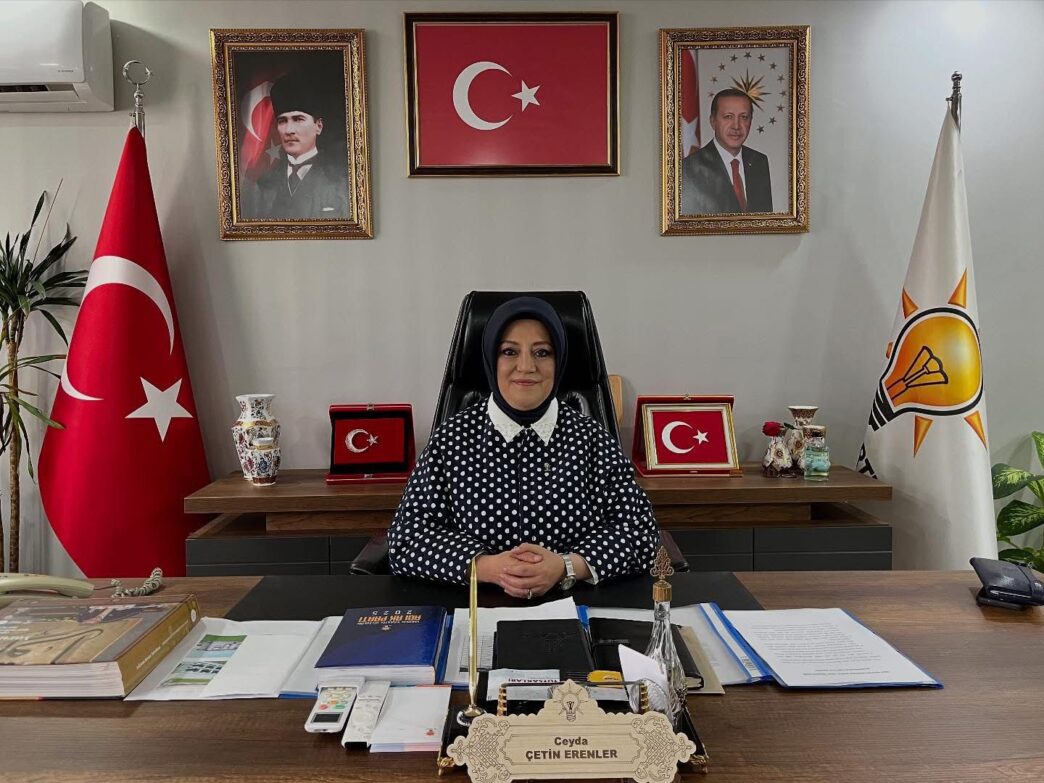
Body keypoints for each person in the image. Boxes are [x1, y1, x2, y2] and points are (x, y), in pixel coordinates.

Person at [388, 297, 659, 598]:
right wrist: (488, 567)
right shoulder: (451, 440)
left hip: (575, 604)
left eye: (542, 352)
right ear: (491, 360)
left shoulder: (591, 439)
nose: (526, 367)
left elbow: (641, 533)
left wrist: (567, 566)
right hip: (476, 608)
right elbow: (406, 541)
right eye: (509, 351)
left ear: (559, 361)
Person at [247, 72, 349, 220]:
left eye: (298, 119)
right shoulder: (264, 184)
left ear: (318, 126)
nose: (289, 130)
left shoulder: (340, 180)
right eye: (282, 121)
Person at [681, 88, 773, 215]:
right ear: (713, 121)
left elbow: (765, 220)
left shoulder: (759, 161)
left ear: (750, 122)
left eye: (744, 117)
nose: (736, 126)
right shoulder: (690, 167)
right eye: (728, 117)